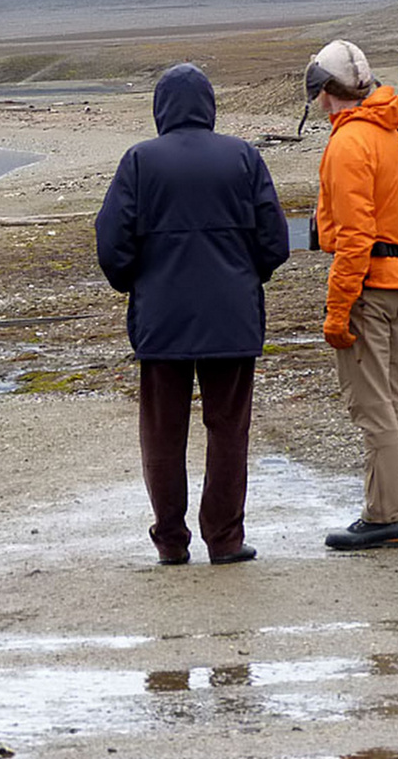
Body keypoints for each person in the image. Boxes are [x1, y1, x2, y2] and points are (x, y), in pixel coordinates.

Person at [95, 63, 290, 566]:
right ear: (209, 105)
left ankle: (171, 542)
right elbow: (274, 241)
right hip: (232, 317)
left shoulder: (139, 161)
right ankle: (224, 539)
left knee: (163, 432)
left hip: (163, 320)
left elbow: (112, 242)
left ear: (160, 108)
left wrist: (138, 284)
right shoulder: (243, 157)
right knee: (228, 429)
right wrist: (245, 279)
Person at [305, 39, 398, 551]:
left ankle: (385, 516)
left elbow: (354, 238)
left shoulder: (348, 144)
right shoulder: (397, 132)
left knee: (373, 406)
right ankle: (397, 511)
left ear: (323, 91)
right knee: (394, 402)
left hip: (370, 290)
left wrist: (338, 312)